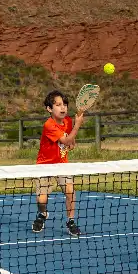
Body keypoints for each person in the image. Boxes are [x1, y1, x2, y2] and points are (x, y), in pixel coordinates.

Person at [33, 90, 86, 236]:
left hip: (62, 164)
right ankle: (42, 214)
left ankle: (70, 221)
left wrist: (72, 142)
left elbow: (69, 140)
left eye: (64, 104)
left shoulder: (68, 121)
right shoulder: (49, 125)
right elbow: (66, 139)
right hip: (45, 166)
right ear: (49, 109)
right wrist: (78, 125)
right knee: (41, 200)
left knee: (70, 191)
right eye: (58, 105)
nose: (63, 107)